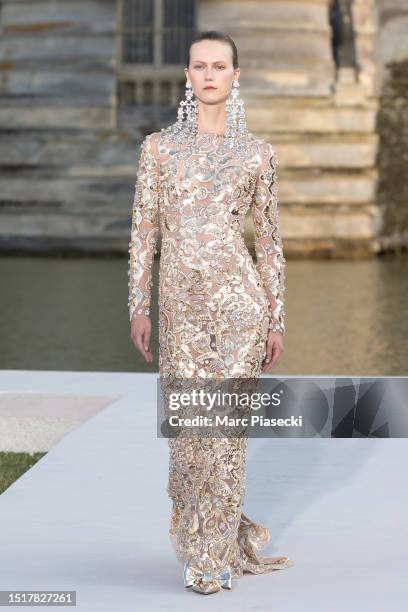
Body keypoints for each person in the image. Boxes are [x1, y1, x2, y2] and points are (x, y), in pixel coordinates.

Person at [128, 30, 293, 594]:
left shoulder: (258, 154)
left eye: (219, 66)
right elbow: (143, 232)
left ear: (235, 76)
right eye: (199, 66)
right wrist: (138, 306)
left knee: (225, 431)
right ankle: (203, 534)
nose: (209, 75)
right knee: (190, 433)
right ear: (187, 77)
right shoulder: (158, 149)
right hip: (179, 309)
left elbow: (268, 240)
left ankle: (212, 553)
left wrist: (276, 318)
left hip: (240, 308)